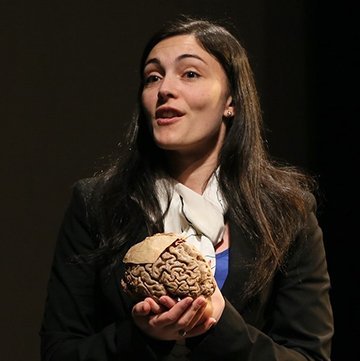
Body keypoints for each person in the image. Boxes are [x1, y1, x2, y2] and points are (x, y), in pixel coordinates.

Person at [39, 15, 334, 361]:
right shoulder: (96, 204)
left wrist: (220, 327)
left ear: (231, 101)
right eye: (153, 76)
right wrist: (140, 336)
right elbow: (59, 351)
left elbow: (309, 356)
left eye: (190, 73)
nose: (165, 89)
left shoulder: (286, 211)